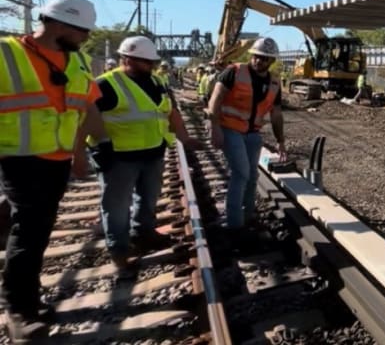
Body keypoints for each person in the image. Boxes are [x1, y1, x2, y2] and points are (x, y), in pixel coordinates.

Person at [0, 0, 102, 340]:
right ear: (59, 24)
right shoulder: (6, 53)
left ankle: (28, 299)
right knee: (28, 232)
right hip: (20, 159)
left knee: (39, 230)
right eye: (82, 32)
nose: (85, 40)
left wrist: (79, 154)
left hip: (57, 160)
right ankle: (18, 310)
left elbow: (80, 111)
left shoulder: (78, 61)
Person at [87, 36, 201, 272]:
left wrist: (185, 138)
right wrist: (80, 152)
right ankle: (119, 250)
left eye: (152, 62)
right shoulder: (105, 84)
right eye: (145, 62)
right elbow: (83, 118)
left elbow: (171, 113)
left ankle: (143, 234)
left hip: (153, 152)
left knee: (148, 199)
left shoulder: (158, 82)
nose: (151, 66)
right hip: (119, 157)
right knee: (117, 206)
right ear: (126, 58)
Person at [208, 38, 287, 232]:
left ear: (271, 61)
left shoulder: (275, 82)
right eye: (256, 56)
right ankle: (235, 224)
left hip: (253, 134)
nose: (259, 61)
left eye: (264, 58)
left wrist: (281, 141)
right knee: (241, 172)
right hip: (230, 129)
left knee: (252, 176)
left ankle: (248, 215)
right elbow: (215, 100)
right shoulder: (234, 72)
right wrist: (214, 127)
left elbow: (276, 114)